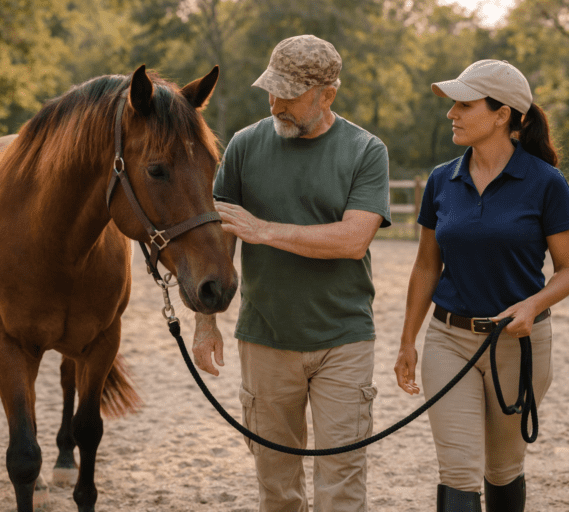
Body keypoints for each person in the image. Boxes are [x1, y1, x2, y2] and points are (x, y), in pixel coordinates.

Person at [192, 35, 392, 512]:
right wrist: (205, 320)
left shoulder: (366, 151)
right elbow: (220, 237)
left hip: (343, 340)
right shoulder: (243, 146)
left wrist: (265, 230)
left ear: (327, 94)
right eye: (271, 89)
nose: (276, 102)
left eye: (290, 92)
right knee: (276, 484)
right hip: (263, 338)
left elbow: (352, 239)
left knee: (342, 481)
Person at [393, 59, 569, 512]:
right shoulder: (442, 180)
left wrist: (533, 305)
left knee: (502, 468)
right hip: (448, 341)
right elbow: (425, 267)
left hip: (519, 345)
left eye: (464, 104)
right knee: (457, 471)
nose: (451, 114)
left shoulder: (546, 184)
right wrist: (407, 341)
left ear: (503, 114)